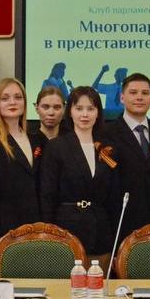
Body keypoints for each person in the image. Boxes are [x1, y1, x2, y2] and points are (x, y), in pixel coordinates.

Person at [39, 86, 119, 256]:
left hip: (101, 228)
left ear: (98, 113)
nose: (85, 114)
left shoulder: (107, 148)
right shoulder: (57, 146)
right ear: (70, 112)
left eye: (90, 109)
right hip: (66, 227)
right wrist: (49, 233)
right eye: (79, 108)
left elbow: (114, 195)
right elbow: (47, 195)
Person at [0, 78, 44, 261]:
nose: (12, 102)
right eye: (5, 98)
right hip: (6, 234)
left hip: (38, 231)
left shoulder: (37, 138)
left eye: (18, 97)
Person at [101, 73, 150, 241]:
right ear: (122, 97)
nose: (139, 97)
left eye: (145, 93)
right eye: (133, 92)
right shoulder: (106, 134)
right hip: (120, 223)